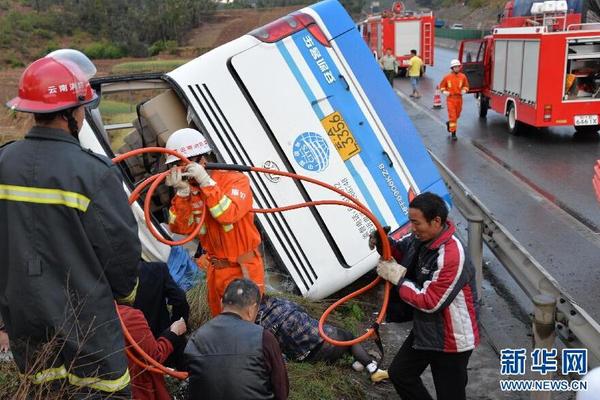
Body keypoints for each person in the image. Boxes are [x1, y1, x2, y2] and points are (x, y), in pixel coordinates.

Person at [0, 50, 140, 396]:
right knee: (101, 389)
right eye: (82, 106)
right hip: (84, 320)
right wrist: (126, 293)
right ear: (70, 113)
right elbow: (120, 250)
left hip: (24, 316)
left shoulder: (4, 162)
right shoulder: (92, 172)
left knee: (43, 389)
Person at [369, 192, 479, 400]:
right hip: (427, 329)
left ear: (436, 221)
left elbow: (430, 301)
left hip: (451, 339)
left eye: (416, 223)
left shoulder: (452, 255)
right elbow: (402, 251)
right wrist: (385, 243)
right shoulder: (421, 238)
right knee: (401, 374)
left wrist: (398, 277)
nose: (412, 228)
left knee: (450, 395)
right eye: (410, 222)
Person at [165, 128, 265, 317]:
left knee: (244, 324)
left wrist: (206, 182)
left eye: (181, 164)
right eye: (176, 166)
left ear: (200, 159)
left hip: (243, 269)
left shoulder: (235, 180)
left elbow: (228, 214)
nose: (180, 170)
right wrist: (182, 194)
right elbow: (180, 228)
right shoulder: (191, 191)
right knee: (221, 322)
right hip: (215, 271)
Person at [184, 279, 289, 400]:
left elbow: (193, 382)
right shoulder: (264, 338)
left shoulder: (196, 337)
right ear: (252, 309)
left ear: (221, 303)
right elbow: (281, 391)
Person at [257, 294, 389, 382]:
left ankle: (354, 362)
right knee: (348, 337)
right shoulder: (282, 303)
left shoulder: (258, 326)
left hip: (307, 359)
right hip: (328, 344)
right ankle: (373, 368)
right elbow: (304, 312)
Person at [117, 302, 186, 400]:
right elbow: (154, 357)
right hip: (139, 389)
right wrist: (174, 332)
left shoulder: (91, 314)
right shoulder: (128, 316)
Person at [134, 260, 190, 369]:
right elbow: (180, 299)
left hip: (133, 344)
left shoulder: (109, 278)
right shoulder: (157, 269)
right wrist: (176, 326)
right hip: (163, 335)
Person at [439, 59, 470, 140]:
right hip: (451, 99)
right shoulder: (447, 77)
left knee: (457, 115)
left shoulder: (463, 76)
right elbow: (441, 86)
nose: (457, 68)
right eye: (455, 67)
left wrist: (464, 90)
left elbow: (466, 86)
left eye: (458, 67)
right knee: (453, 117)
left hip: (459, 99)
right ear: (452, 68)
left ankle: (449, 123)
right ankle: (453, 133)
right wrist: (444, 91)